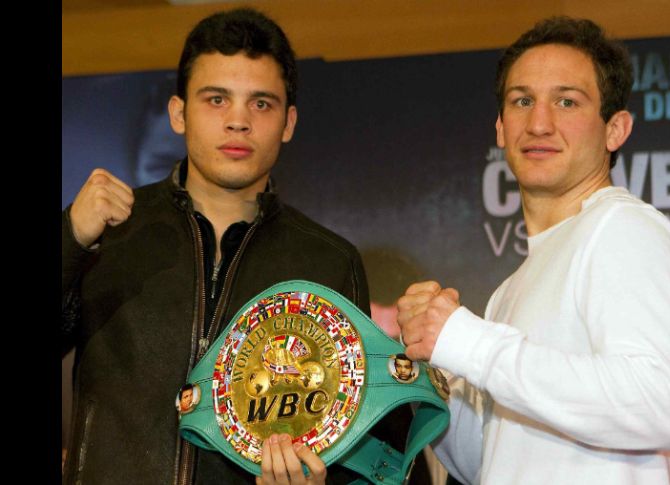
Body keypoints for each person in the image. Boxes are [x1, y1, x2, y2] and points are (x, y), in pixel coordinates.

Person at [62, 8, 412, 484]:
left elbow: (363, 442)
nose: (238, 121)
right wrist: (70, 239)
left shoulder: (328, 261)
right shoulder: (112, 230)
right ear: (179, 113)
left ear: (288, 122)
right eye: (216, 99)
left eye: (261, 104)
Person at [397, 17, 670, 485]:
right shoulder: (509, 290)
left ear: (615, 129)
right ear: (501, 128)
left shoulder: (624, 228)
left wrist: (469, 341)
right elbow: (489, 465)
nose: (539, 123)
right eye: (522, 101)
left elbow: (658, 402)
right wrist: (432, 370)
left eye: (567, 101)